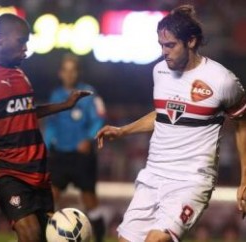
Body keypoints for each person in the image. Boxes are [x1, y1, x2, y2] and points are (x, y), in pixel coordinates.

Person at [96, 5, 246, 242]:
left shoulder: (222, 80)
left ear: (191, 41)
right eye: (161, 45)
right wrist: (123, 130)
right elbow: (163, 115)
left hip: (191, 180)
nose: (164, 52)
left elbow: (242, 123)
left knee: (156, 240)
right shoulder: (159, 71)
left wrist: (245, 178)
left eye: (170, 45)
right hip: (153, 175)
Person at [0, 14, 91, 242]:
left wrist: (64, 105)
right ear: (0, 40)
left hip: (39, 172)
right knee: (30, 233)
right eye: (21, 41)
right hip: (7, 172)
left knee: (43, 237)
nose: (26, 48)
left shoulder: (20, 74)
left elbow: (26, 112)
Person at [44, 54, 106, 242]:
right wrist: (47, 146)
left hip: (82, 156)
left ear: (78, 72)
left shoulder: (88, 94)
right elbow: (51, 124)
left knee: (89, 200)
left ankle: (99, 238)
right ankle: (46, 236)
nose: (69, 74)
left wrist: (89, 139)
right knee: (50, 197)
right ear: (60, 73)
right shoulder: (55, 95)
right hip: (60, 155)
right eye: (66, 70)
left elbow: (99, 118)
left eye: (73, 70)